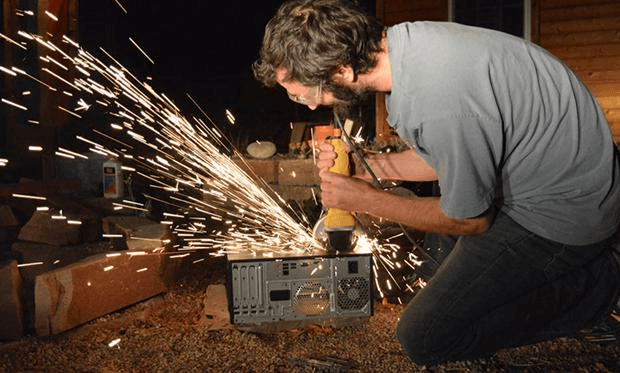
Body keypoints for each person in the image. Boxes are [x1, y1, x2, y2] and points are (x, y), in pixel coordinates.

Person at [252, 0, 620, 366]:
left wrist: (366, 199)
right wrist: (373, 169)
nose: (311, 106)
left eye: (305, 93)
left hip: (566, 215)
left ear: (342, 69)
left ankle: (600, 289)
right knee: (438, 271)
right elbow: (452, 153)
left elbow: (471, 219)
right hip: (548, 183)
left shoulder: (440, 99)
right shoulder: (409, 49)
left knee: (425, 336)